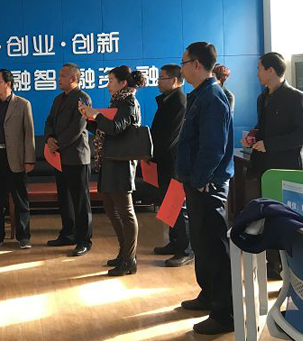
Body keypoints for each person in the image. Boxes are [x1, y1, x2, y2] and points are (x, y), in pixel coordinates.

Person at [175, 42, 234, 335]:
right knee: (201, 244)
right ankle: (209, 295)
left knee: (214, 247)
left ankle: (225, 315)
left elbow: (213, 147)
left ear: (196, 64)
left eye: (183, 62)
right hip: (197, 183)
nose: (181, 68)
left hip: (207, 185)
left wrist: (199, 180)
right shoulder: (200, 95)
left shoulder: (212, 97)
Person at [241, 52, 303, 279]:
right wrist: (252, 137)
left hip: (287, 169)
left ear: (270, 71)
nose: (257, 74)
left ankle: (291, 268)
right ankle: (272, 264)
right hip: (265, 168)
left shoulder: (297, 98)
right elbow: (263, 127)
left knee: (285, 218)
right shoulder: (263, 97)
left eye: (259, 69)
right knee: (268, 216)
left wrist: (270, 144)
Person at [79, 66, 145, 276]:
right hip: (110, 162)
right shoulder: (117, 102)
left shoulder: (129, 102)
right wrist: (88, 118)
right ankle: (124, 253)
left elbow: (116, 128)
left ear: (123, 83)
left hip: (122, 164)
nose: (108, 85)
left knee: (126, 212)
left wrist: (97, 115)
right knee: (110, 207)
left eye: (111, 81)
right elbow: (105, 130)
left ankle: (130, 260)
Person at [0, 69, 36, 250]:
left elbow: (29, 134)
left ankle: (23, 237)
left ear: (8, 84)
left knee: (20, 200)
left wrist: (29, 159)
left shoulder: (23, 104)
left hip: (15, 158)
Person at [45, 63, 93, 256]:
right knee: (64, 197)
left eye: (63, 76)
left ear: (73, 79)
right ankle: (68, 233)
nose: (59, 79)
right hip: (59, 157)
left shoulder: (82, 98)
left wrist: (58, 143)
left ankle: (84, 240)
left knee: (80, 201)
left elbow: (78, 127)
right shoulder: (58, 99)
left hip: (77, 157)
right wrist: (49, 138)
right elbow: (49, 121)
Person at [150, 64, 193, 267]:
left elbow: (169, 138)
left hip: (174, 162)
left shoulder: (179, 102)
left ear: (174, 81)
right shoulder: (168, 100)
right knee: (169, 204)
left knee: (177, 206)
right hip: (165, 161)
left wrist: (151, 153)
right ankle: (175, 242)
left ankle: (185, 249)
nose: (158, 81)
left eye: (162, 78)